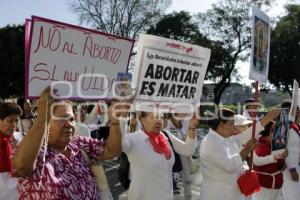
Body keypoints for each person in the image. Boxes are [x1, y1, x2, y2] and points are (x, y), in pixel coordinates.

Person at [13, 87, 123, 199]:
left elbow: (112, 151)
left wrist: (114, 122)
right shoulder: (35, 151)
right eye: (61, 118)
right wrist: (43, 115)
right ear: (46, 121)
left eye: (71, 119)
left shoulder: (78, 143)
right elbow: (22, 167)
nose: (69, 124)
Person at [122, 111, 198, 200]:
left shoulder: (166, 135)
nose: (159, 121)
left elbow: (188, 150)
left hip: (166, 196)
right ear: (143, 120)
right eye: (154, 117)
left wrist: (192, 127)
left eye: (161, 117)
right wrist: (121, 118)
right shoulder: (133, 139)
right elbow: (118, 143)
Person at [200, 108, 258, 200]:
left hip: (231, 193)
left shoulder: (226, 138)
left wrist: (268, 118)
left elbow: (247, 135)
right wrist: (247, 149)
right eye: (231, 124)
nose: (234, 127)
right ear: (221, 125)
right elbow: (229, 165)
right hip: (217, 194)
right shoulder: (210, 142)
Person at [252, 120, 287, 200]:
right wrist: (274, 157)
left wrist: (283, 164)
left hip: (276, 184)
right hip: (264, 185)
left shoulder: (274, 143)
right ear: (271, 131)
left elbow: (279, 162)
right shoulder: (258, 144)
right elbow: (257, 161)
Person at [0, 102, 22, 200]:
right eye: (10, 121)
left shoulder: (20, 138)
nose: (14, 124)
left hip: (19, 192)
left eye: (16, 121)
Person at [281, 101, 300, 200]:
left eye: (297, 110)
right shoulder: (284, 127)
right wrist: (292, 169)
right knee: (293, 196)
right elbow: (284, 149)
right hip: (290, 168)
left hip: (297, 165)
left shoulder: (294, 125)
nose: (298, 113)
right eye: (295, 110)